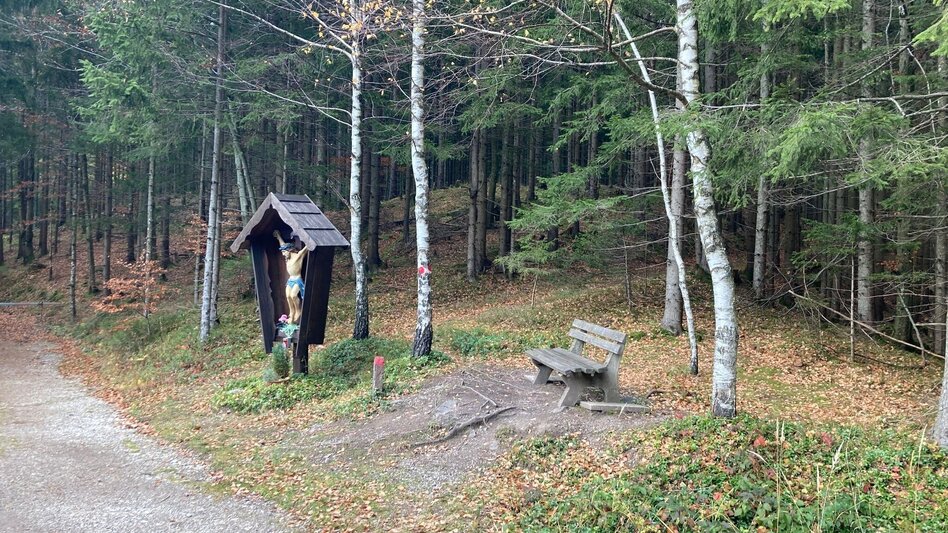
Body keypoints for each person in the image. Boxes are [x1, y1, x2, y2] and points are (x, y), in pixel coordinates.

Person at [273, 230, 308, 324]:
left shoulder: (298, 256)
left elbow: (306, 248)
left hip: (297, 279)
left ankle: (298, 310)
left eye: (284, 252)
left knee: (293, 295)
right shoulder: (287, 258)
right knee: (288, 296)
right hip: (290, 280)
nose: (283, 254)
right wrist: (278, 236)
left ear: (290, 250)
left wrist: (310, 237)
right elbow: (282, 245)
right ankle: (291, 313)